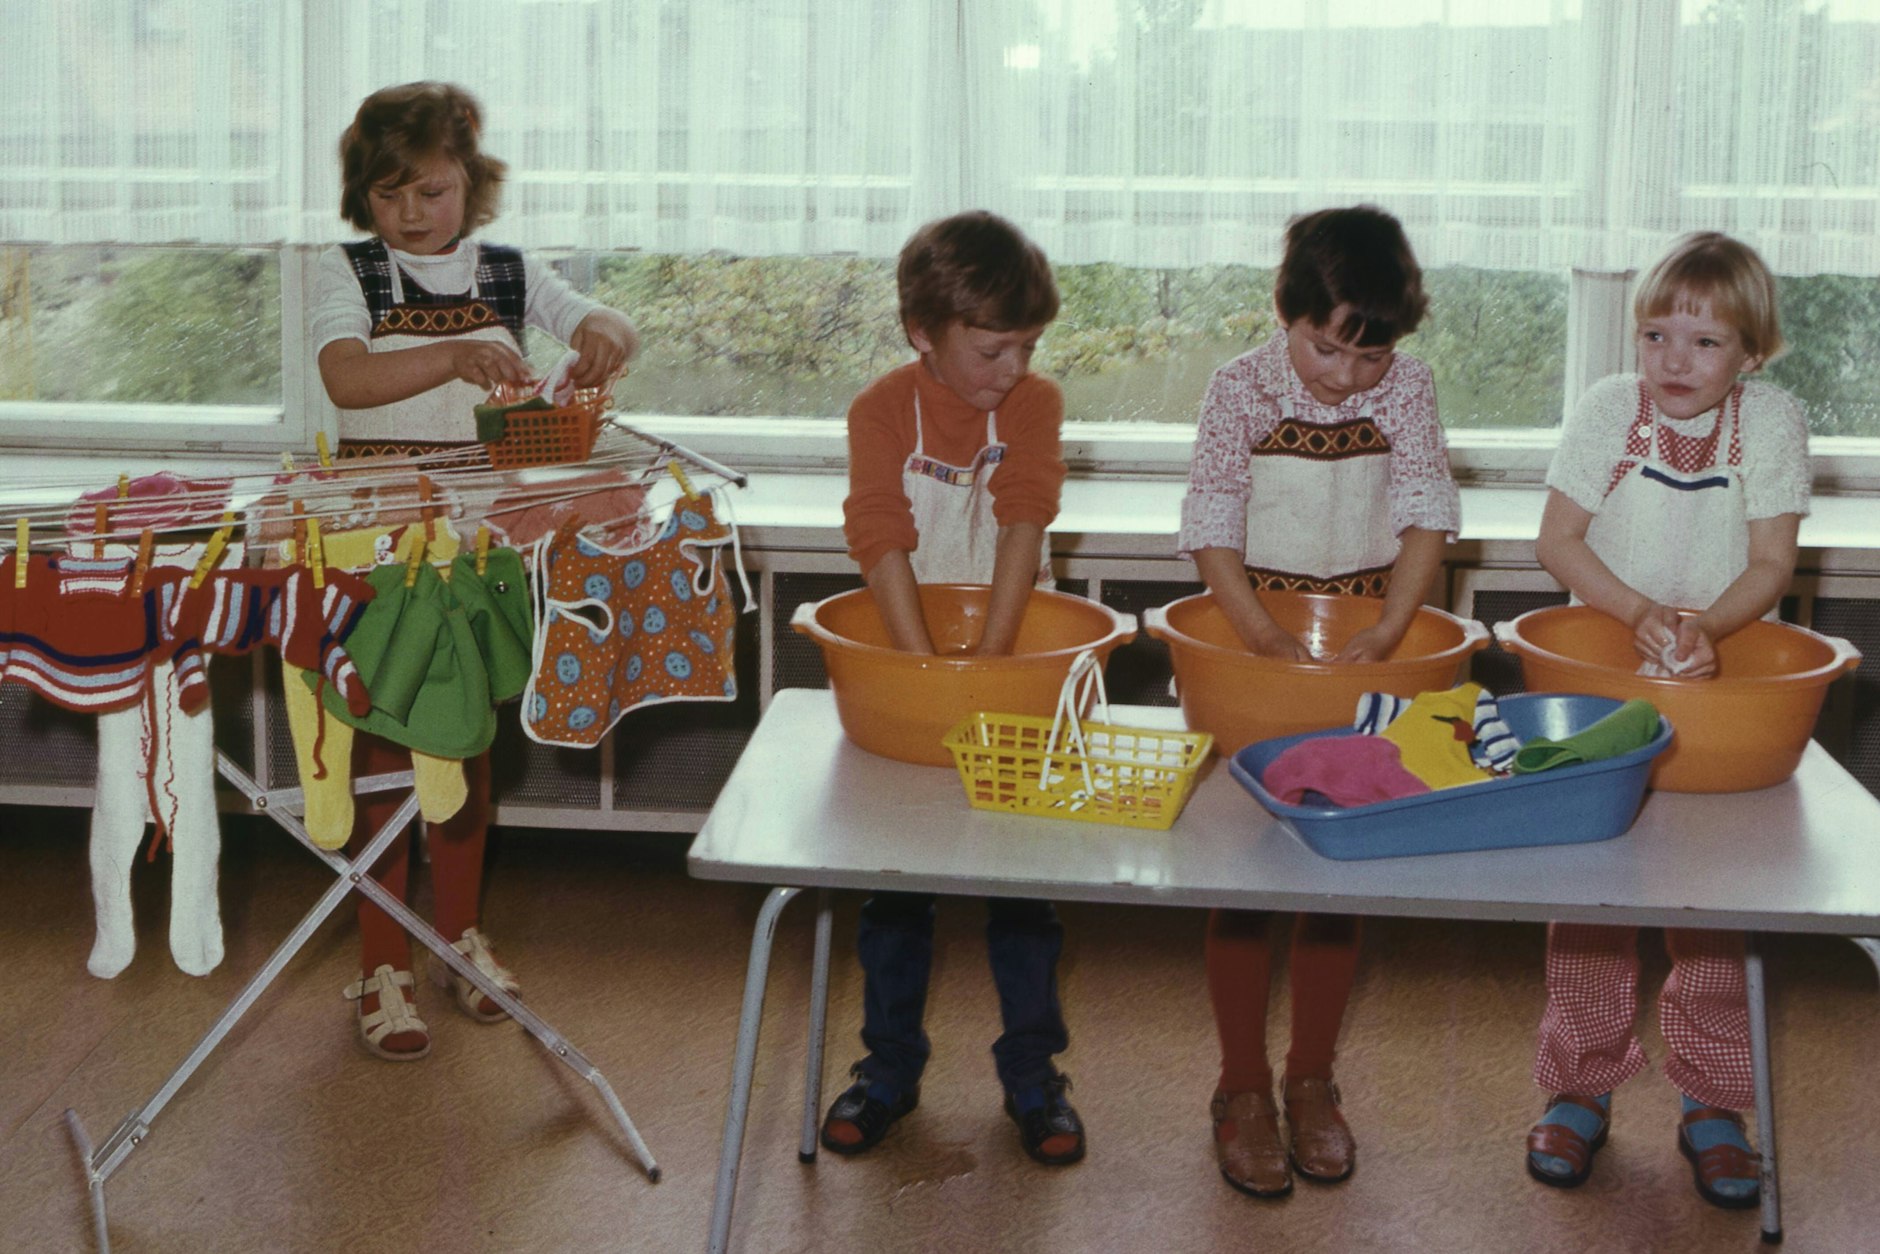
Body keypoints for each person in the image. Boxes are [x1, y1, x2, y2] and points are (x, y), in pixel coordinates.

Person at [310, 81, 638, 1060]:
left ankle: (454, 937)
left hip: (478, 535)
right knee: (379, 743)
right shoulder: (347, 273)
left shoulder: (507, 270)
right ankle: (383, 960)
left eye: (432, 192)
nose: (410, 214)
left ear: (472, 186)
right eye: (388, 194)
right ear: (362, 199)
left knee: (461, 743)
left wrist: (596, 339)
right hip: (376, 536)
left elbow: (604, 325)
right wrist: (456, 356)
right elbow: (346, 378)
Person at [1178, 206, 1459, 1197]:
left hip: (1364, 649)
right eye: (1323, 347)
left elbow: (1425, 511)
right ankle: (1240, 1086)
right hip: (1254, 647)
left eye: (1366, 355)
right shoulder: (1238, 388)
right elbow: (1211, 519)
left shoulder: (1408, 390)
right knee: (1245, 878)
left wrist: (1386, 631)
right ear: (1284, 314)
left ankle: (1308, 1080)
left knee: (1335, 876)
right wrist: (1255, 636)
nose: (1342, 376)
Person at [1523, 232, 1808, 1208]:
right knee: (1592, 896)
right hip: (1604, 663)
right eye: (1654, 334)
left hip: (1719, 685)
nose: (1672, 361)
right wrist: (1639, 614)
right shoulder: (1607, 409)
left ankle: (1711, 1103)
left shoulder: (1770, 424)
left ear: (1750, 355)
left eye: (1702, 342)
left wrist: (1701, 627)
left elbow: (1768, 564)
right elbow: (1556, 540)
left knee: (1714, 906)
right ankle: (1577, 1088)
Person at [819, 210, 1084, 1166]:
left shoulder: (1031, 405)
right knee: (898, 892)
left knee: (1022, 889)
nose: (1011, 369)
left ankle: (1032, 1073)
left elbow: (1023, 520)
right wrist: (924, 673)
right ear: (922, 333)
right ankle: (887, 1067)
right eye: (991, 349)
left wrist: (996, 663)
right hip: (905, 657)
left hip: (1010, 656)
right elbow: (880, 536)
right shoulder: (881, 409)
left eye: (1027, 347)